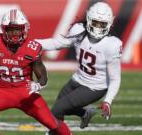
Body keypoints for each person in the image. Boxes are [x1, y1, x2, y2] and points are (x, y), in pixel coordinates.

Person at [0, 9, 72, 135]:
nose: (14, 33)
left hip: (26, 93)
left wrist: (38, 85)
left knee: (52, 123)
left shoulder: (32, 48)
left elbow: (42, 75)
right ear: (4, 30)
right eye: (10, 30)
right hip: (2, 90)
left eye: (17, 29)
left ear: (24, 29)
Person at [36, 2, 122, 133]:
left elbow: (115, 78)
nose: (98, 27)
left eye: (102, 24)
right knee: (63, 106)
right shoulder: (79, 30)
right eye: (95, 22)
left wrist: (108, 101)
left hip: (95, 87)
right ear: (88, 19)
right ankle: (85, 113)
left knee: (58, 109)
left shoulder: (112, 44)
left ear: (110, 23)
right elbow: (58, 43)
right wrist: (34, 44)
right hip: (77, 79)